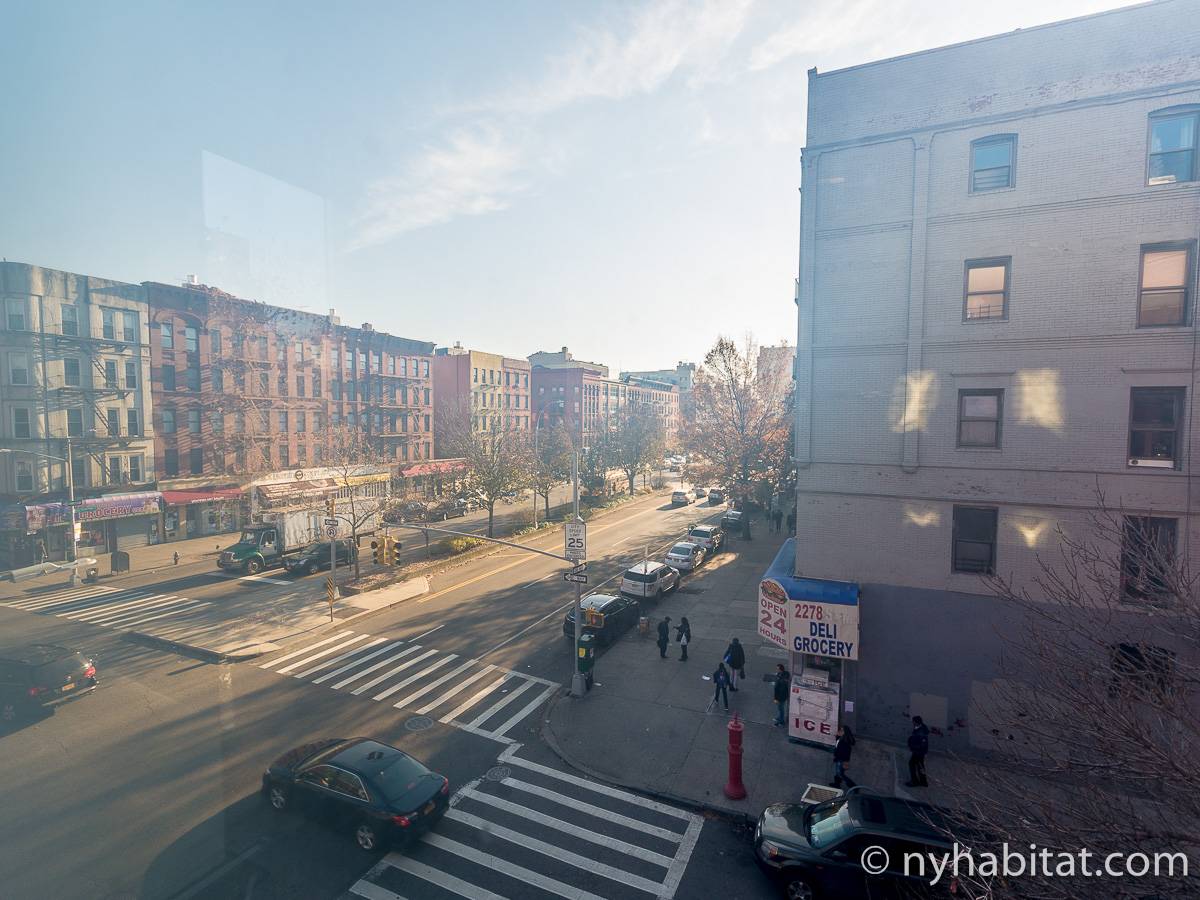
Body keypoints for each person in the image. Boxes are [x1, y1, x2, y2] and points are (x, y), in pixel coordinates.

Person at [906, 715, 930, 787]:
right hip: (919, 751)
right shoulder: (919, 728)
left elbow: (922, 744)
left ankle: (914, 781)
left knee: (912, 764)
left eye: (913, 721)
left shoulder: (921, 731)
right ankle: (923, 781)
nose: (912, 722)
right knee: (920, 766)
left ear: (916, 722)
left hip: (918, 752)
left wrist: (913, 747)